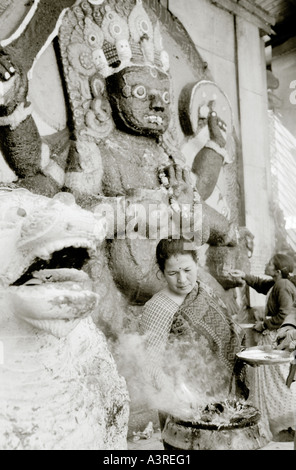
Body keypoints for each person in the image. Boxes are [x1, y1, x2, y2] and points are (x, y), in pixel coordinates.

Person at [139, 237, 247, 425]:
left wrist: (245, 356)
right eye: (173, 273)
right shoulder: (158, 307)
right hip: (181, 403)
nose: (182, 280)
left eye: (187, 270)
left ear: (197, 263)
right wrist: (179, 401)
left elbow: (228, 335)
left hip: (224, 396)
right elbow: (151, 364)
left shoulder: (203, 291)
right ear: (162, 272)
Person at [230, 253, 296, 440]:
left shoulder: (283, 285)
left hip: (278, 338)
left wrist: (265, 325)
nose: (265, 265)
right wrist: (244, 276)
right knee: (271, 382)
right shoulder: (277, 283)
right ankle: (276, 425)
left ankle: (287, 423)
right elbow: (260, 284)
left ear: (277, 270)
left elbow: (284, 314)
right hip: (274, 337)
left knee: (278, 382)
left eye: (269, 264)